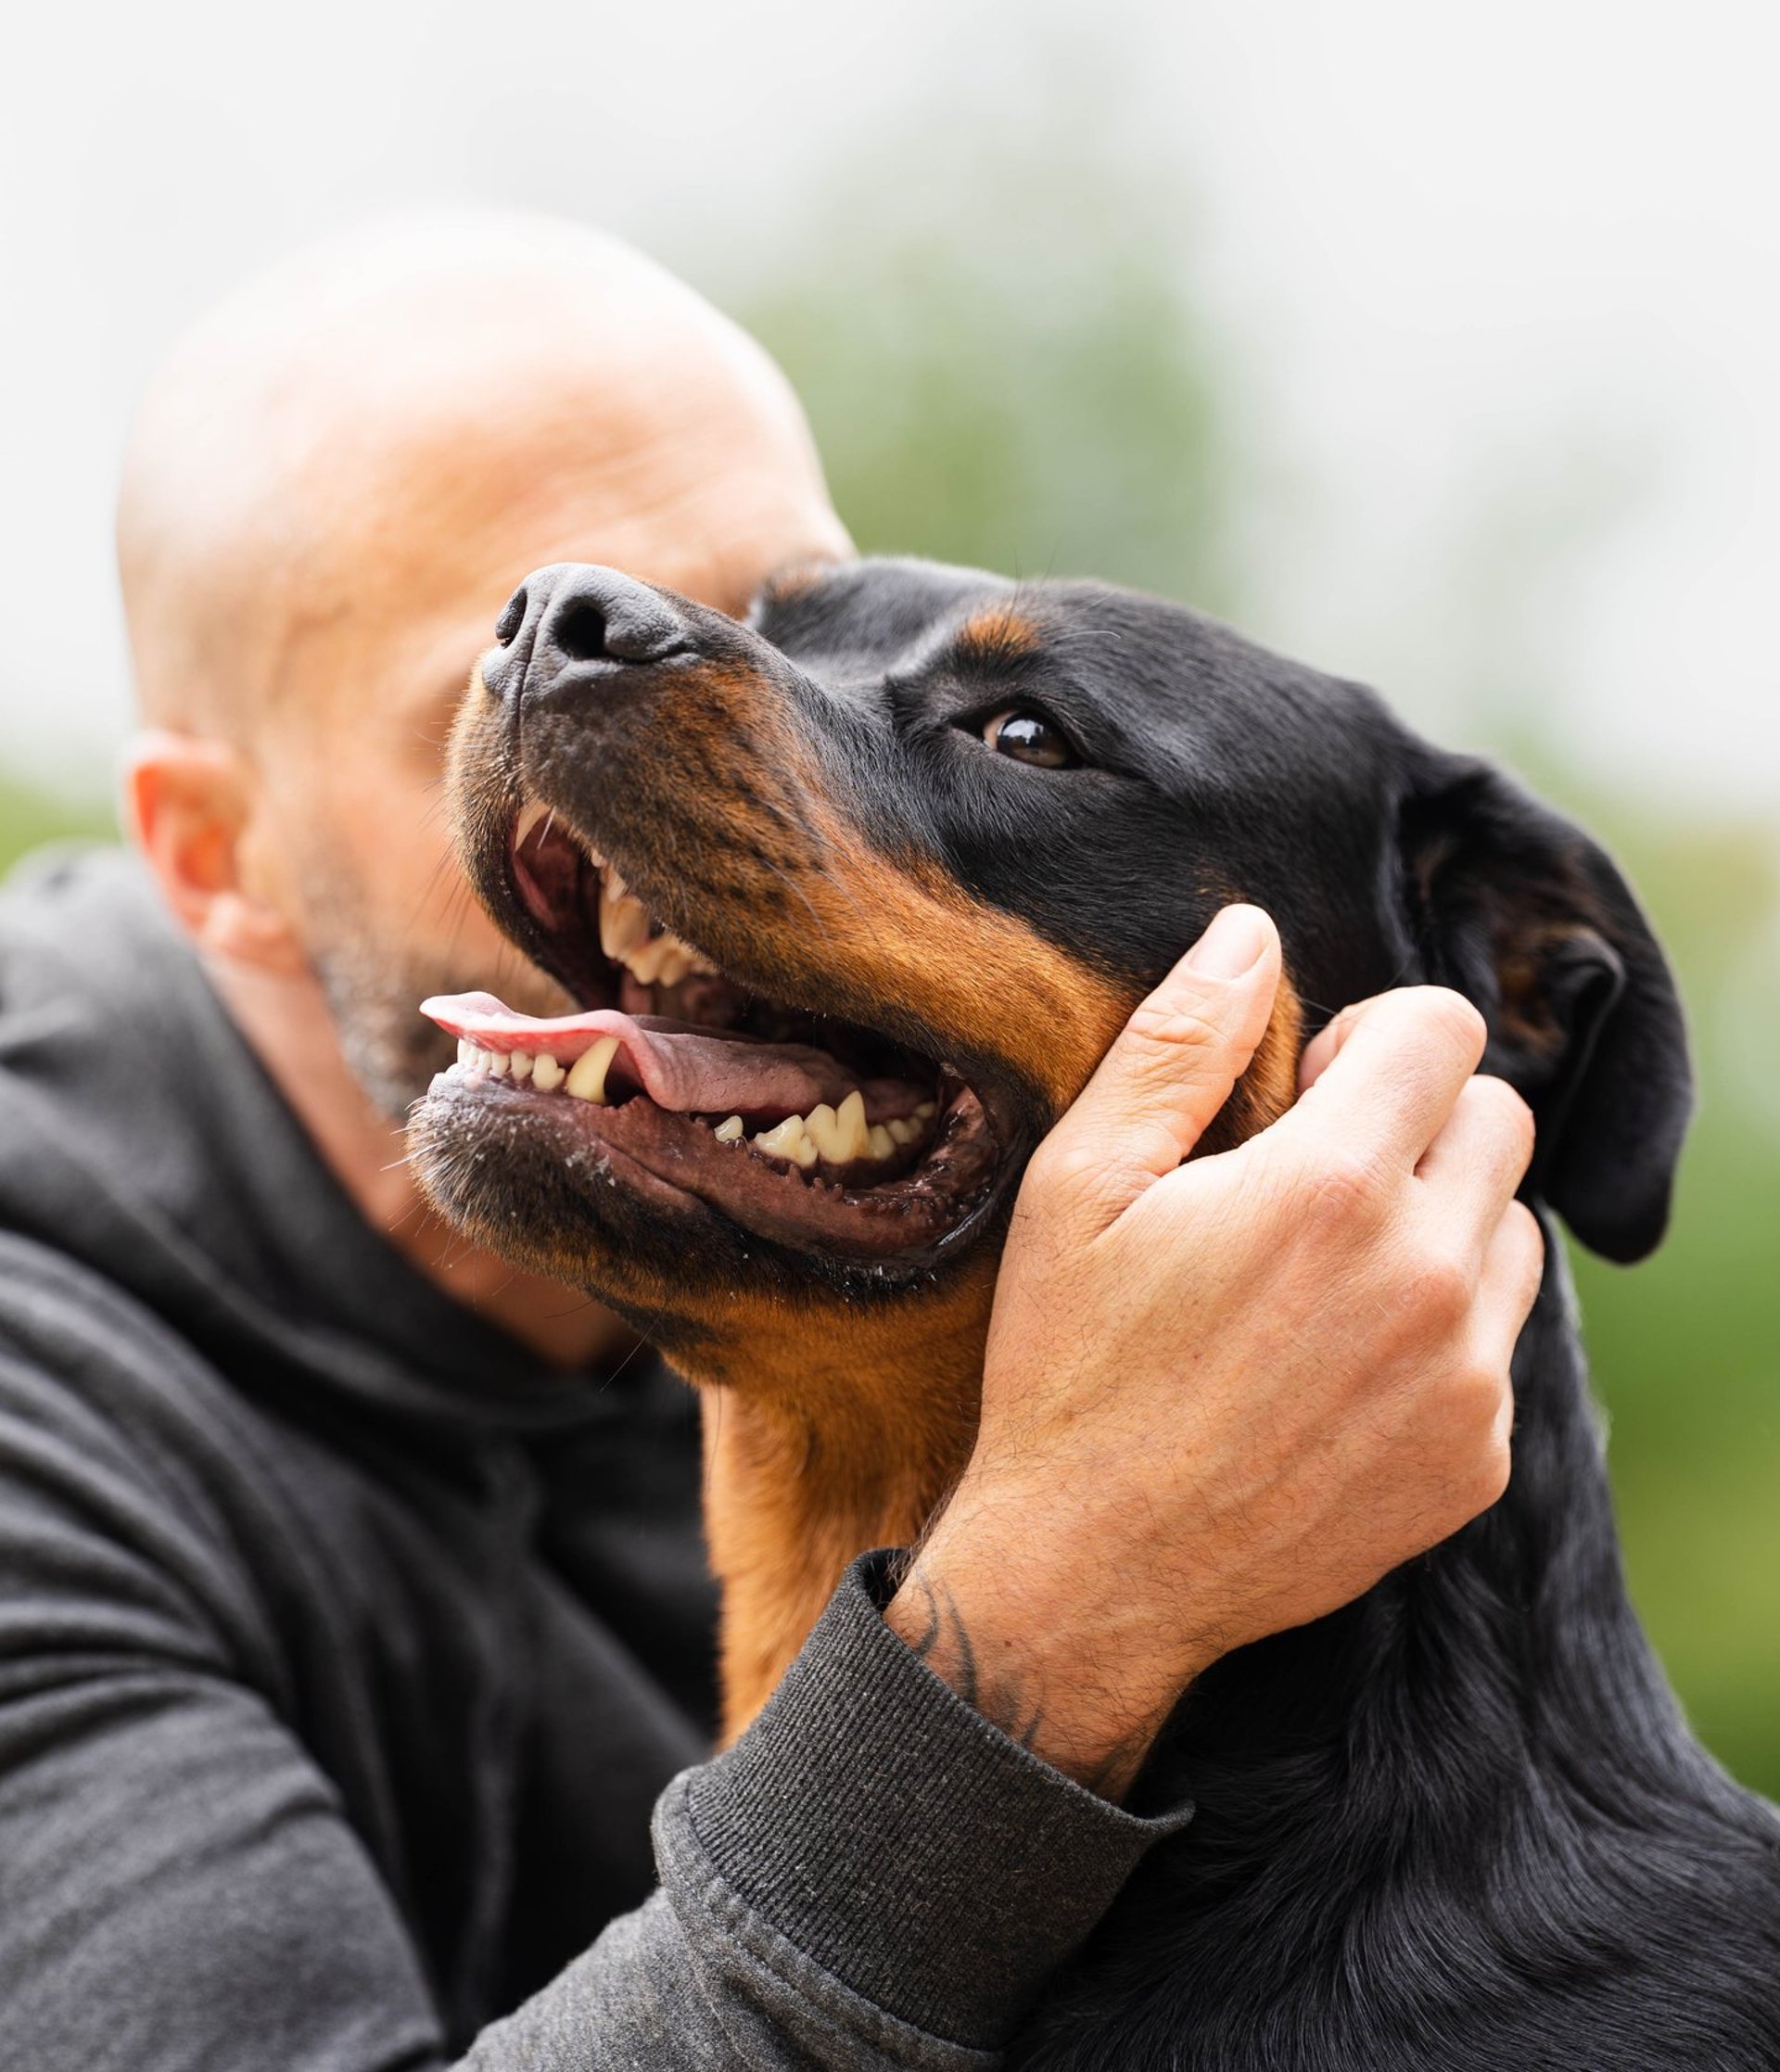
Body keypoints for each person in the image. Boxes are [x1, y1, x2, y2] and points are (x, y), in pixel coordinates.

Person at [0, 211, 1542, 2069]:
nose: (682, 680)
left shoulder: (912, 1215)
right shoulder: (47, 1431)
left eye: (774, 612)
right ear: (215, 865)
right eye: (472, 679)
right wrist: (1066, 1599)